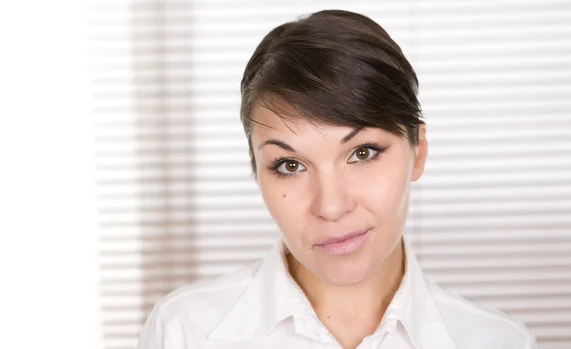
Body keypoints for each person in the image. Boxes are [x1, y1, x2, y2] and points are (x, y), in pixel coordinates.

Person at [137, 9, 538, 349]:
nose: (330, 206)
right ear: (256, 171)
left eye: (362, 153)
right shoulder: (186, 331)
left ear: (419, 151)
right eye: (290, 165)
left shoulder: (497, 341)